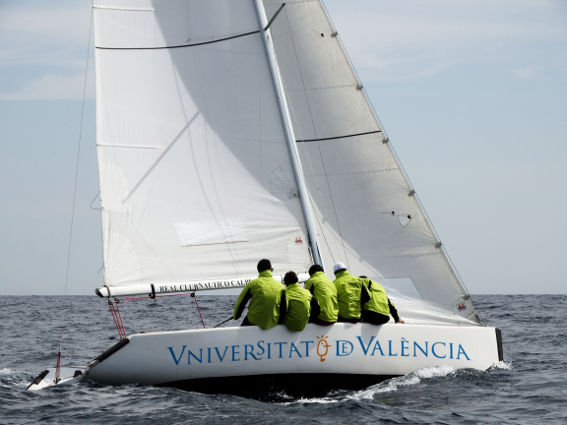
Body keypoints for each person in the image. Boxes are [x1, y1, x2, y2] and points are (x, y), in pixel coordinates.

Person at [233, 259, 286, 329]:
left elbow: (241, 303)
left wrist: (236, 316)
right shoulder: (281, 287)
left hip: (253, 322)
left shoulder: (252, 284)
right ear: (271, 270)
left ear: (258, 271)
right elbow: (284, 308)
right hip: (274, 323)